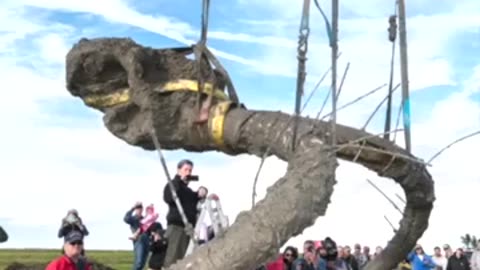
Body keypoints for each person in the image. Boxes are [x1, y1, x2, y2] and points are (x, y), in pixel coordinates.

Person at [162, 159, 207, 267]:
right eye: (186, 170)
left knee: (185, 261)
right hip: (177, 228)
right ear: (179, 170)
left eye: (190, 170)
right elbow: (169, 198)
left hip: (189, 229)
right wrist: (178, 181)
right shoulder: (172, 184)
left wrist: (203, 190)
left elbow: (196, 197)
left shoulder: (188, 191)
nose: (188, 173)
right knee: (172, 260)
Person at [124, 202, 149, 270]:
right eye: (138, 208)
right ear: (136, 209)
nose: (139, 210)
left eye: (140, 208)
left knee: (142, 264)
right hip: (139, 240)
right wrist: (132, 208)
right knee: (139, 262)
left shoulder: (145, 219)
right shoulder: (133, 219)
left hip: (147, 240)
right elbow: (125, 219)